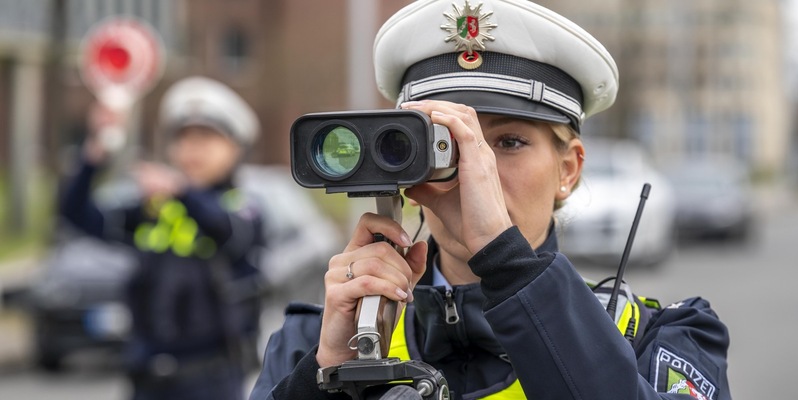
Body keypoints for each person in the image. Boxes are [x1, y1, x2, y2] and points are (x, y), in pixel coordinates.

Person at [249, 1, 730, 399]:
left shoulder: (656, 338)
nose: (476, 169)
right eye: (449, 145)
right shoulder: (309, 345)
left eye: (509, 143)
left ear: (569, 170)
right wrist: (329, 375)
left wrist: (507, 262)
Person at [60, 76, 266, 400]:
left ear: (236, 148)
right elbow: (76, 214)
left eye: (206, 138)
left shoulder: (242, 208)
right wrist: (96, 152)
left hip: (212, 381)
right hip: (147, 378)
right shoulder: (154, 209)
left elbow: (227, 233)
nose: (191, 150)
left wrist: (181, 190)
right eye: (183, 138)